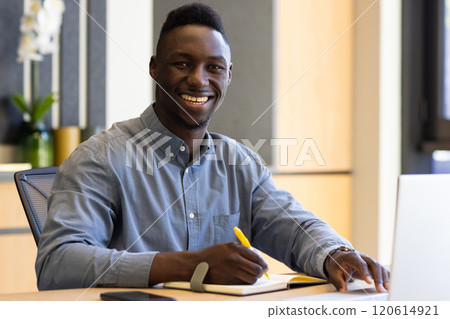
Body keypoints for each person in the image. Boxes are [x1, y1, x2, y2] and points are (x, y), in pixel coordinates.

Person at [36, 2, 389, 293]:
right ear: (155, 69)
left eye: (214, 67)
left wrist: (336, 254)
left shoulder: (240, 162)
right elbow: (58, 263)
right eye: (182, 63)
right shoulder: (100, 157)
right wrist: (192, 265)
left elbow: (293, 226)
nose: (199, 79)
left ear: (228, 76)